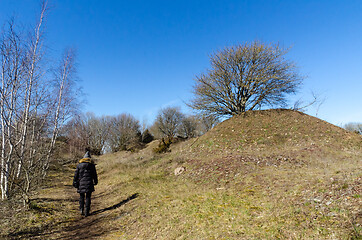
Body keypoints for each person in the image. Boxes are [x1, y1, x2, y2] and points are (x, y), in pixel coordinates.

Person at [73, 151, 98, 217]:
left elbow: (76, 175)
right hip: (89, 183)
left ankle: (81, 209)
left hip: (81, 183)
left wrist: (74, 182)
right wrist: (95, 182)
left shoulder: (79, 165)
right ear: (89, 158)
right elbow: (94, 175)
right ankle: (87, 211)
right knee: (88, 197)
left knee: (81, 196)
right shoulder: (92, 165)